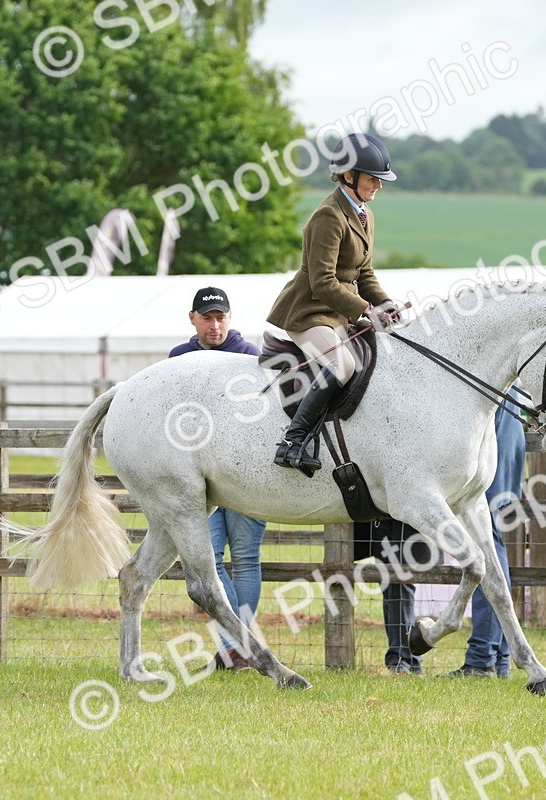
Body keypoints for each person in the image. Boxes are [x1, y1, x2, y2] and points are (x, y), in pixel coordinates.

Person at [266, 132, 404, 473]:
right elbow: (323, 282)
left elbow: (365, 272)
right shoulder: (328, 216)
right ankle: (292, 441)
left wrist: (385, 304)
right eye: (373, 179)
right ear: (348, 175)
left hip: (339, 314)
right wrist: (364, 310)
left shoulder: (364, 215)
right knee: (341, 365)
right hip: (310, 312)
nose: (379, 187)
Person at [168, 287, 267, 671]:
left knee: (244, 559)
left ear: (230, 317)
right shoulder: (178, 359)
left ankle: (232, 648)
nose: (215, 325)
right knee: (208, 561)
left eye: (221, 317)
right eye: (207, 318)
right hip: (194, 477)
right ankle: (237, 645)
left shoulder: (249, 357)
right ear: (192, 318)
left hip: (245, 473)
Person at [442, 390, 526, 678]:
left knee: (487, 544)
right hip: (506, 440)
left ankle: (482, 657)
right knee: (493, 541)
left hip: (493, 446)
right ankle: (498, 658)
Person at [354, 518, 434, 675]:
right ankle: (404, 660)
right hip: (380, 521)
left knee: (400, 583)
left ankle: (403, 661)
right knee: (390, 586)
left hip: (403, 522)